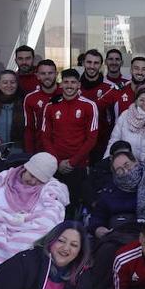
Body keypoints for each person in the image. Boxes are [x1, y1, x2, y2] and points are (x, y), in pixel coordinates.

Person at [0, 153, 69, 289]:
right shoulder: (4, 177)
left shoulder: (50, 189)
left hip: (27, 229)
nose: (33, 182)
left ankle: (8, 287)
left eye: (39, 180)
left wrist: (22, 222)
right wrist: (6, 218)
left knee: (26, 248)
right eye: (31, 175)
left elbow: (51, 218)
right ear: (26, 168)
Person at [88, 148, 145, 289]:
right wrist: (99, 229)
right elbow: (97, 218)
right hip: (115, 231)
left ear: (136, 162)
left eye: (127, 165)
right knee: (107, 250)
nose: (125, 171)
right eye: (119, 170)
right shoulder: (110, 191)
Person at [42, 68, 101, 210]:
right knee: (53, 204)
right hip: (55, 165)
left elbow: (92, 138)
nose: (69, 85)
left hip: (78, 165)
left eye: (73, 82)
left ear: (79, 85)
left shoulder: (89, 105)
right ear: (61, 84)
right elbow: (45, 136)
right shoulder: (51, 105)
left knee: (72, 204)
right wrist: (57, 162)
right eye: (66, 82)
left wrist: (72, 162)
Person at [23, 59, 61, 154]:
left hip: (64, 149)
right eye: (43, 73)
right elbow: (29, 129)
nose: (47, 77)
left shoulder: (67, 93)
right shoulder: (30, 98)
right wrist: (30, 154)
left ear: (56, 74)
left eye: (50, 73)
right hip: (41, 150)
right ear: (38, 76)